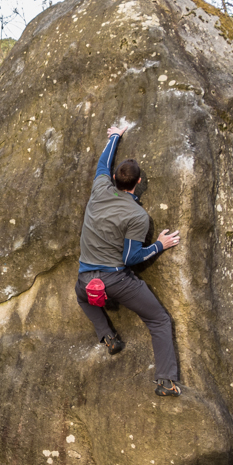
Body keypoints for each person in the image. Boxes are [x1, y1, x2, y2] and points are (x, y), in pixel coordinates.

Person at [75, 124, 182, 397]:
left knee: (80, 297)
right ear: (137, 184)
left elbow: (103, 162)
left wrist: (114, 136)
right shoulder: (137, 216)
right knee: (159, 320)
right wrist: (159, 244)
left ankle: (107, 336)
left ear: (113, 178)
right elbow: (131, 257)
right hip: (115, 281)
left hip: (85, 280)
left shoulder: (100, 188)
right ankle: (166, 382)